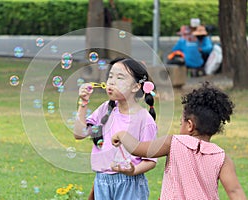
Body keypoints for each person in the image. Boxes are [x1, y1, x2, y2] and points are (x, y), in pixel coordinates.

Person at [112, 82, 247, 200]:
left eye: (180, 122)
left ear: (190, 125)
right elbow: (235, 191)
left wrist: (122, 134)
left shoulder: (173, 143)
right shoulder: (222, 158)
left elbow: (139, 148)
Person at [74, 58, 158, 199]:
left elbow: (151, 161)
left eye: (120, 78)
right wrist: (83, 102)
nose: (111, 82)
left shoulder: (144, 120)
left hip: (130, 183)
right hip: (102, 180)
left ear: (136, 87)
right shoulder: (106, 109)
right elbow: (79, 134)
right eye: (110, 76)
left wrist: (133, 171)